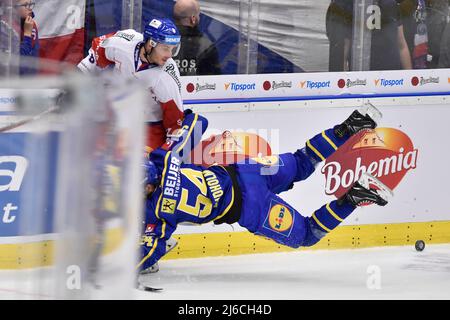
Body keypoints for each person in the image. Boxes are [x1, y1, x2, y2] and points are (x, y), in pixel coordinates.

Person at [136, 105, 393, 278]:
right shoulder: (164, 159)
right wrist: (180, 124)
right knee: (303, 161)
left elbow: (148, 254)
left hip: (251, 206)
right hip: (247, 170)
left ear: (146, 187)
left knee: (306, 234)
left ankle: (353, 197)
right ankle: (350, 126)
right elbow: (196, 122)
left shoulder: (156, 212)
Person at [77, 17, 185, 153]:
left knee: (138, 167)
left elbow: (175, 122)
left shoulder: (167, 74)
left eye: (172, 49)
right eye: (165, 48)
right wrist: (79, 78)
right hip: (116, 120)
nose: (169, 55)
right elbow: (98, 51)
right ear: (151, 44)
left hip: (149, 129)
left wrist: (166, 155)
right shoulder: (122, 43)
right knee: (91, 154)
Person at [326, 0, 412, 71]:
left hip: (391, 76)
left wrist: (408, 78)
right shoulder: (346, 4)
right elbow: (343, 52)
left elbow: (401, 44)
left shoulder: (391, 3)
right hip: (361, 76)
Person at [172, 0, 221, 75]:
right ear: (193, 19)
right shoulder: (206, 46)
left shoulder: (162, 42)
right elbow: (215, 78)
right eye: (199, 15)